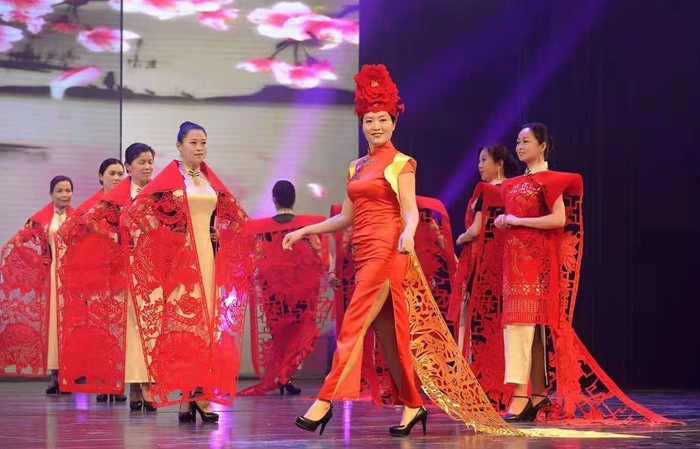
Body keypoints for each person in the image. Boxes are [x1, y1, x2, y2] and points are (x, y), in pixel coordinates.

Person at [284, 64, 515, 437]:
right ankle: (413, 404)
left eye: (382, 120)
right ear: (362, 124)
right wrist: (305, 229)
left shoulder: (400, 163)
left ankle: (324, 400)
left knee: (353, 325)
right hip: (364, 254)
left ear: (394, 123)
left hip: (389, 251)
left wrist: (408, 233)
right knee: (391, 339)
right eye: (369, 120)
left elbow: (409, 210)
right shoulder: (356, 168)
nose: (375, 126)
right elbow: (346, 217)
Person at [494, 123, 673, 424]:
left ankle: (521, 396)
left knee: (523, 327)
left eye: (526, 141)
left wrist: (517, 220)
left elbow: (558, 219)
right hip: (514, 264)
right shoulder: (512, 184)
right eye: (518, 141)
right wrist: (505, 220)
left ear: (543, 146)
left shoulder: (551, 180)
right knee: (523, 328)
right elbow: (517, 218)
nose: (520, 146)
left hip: (536, 265)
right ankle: (537, 395)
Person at [122, 122, 252, 423]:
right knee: (185, 330)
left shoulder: (209, 179)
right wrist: (167, 240)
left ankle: (194, 396)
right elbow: (133, 216)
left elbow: (237, 218)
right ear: (179, 146)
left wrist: (221, 236)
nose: (199, 148)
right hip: (182, 266)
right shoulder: (169, 180)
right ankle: (192, 396)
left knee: (208, 330)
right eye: (193, 143)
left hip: (209, 260)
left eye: (203, 142)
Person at [56, 147, 156, 410]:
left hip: (149, 270)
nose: (147, 166)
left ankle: (144, 384)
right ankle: (134, 384)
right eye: (141, 162)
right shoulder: (111, 201)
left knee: (148, 328)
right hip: (117, 272)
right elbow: (71, 228)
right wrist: (104, 241)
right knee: (126, 329)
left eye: (150, 162)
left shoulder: (157, 194)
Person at [239, 180, 332, 397]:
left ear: (274, 199)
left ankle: (283, 377)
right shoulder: (305, 227)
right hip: (300, 289)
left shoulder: (264, 230)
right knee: (296, 332)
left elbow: (257, 255)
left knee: (278, 334)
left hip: (273, 290)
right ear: (294, 198)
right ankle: (285, 376)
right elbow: (320, 252)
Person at [55, 158, 126, 402]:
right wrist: (96, 234)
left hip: (122, 271)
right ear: (100, 176)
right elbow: (67, 232)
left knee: (119, 327)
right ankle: (102, 380)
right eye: (112, 173)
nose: (116, 178)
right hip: (96, 274)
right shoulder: (92, 205)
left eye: (120, 173)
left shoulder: (128, 202)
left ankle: (117, 381)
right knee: (100, 326)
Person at [0, 176, 74, 393]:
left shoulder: (79, 216)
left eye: (68, 190)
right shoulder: (40, 219)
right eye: (60, 191)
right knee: (52, 326)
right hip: (52, 276)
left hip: (73, 277)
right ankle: (55, 375)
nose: (64, 195)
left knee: (71, 325)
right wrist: (36, 262)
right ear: (51, 194)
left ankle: (69, 374)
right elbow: (18, 242)